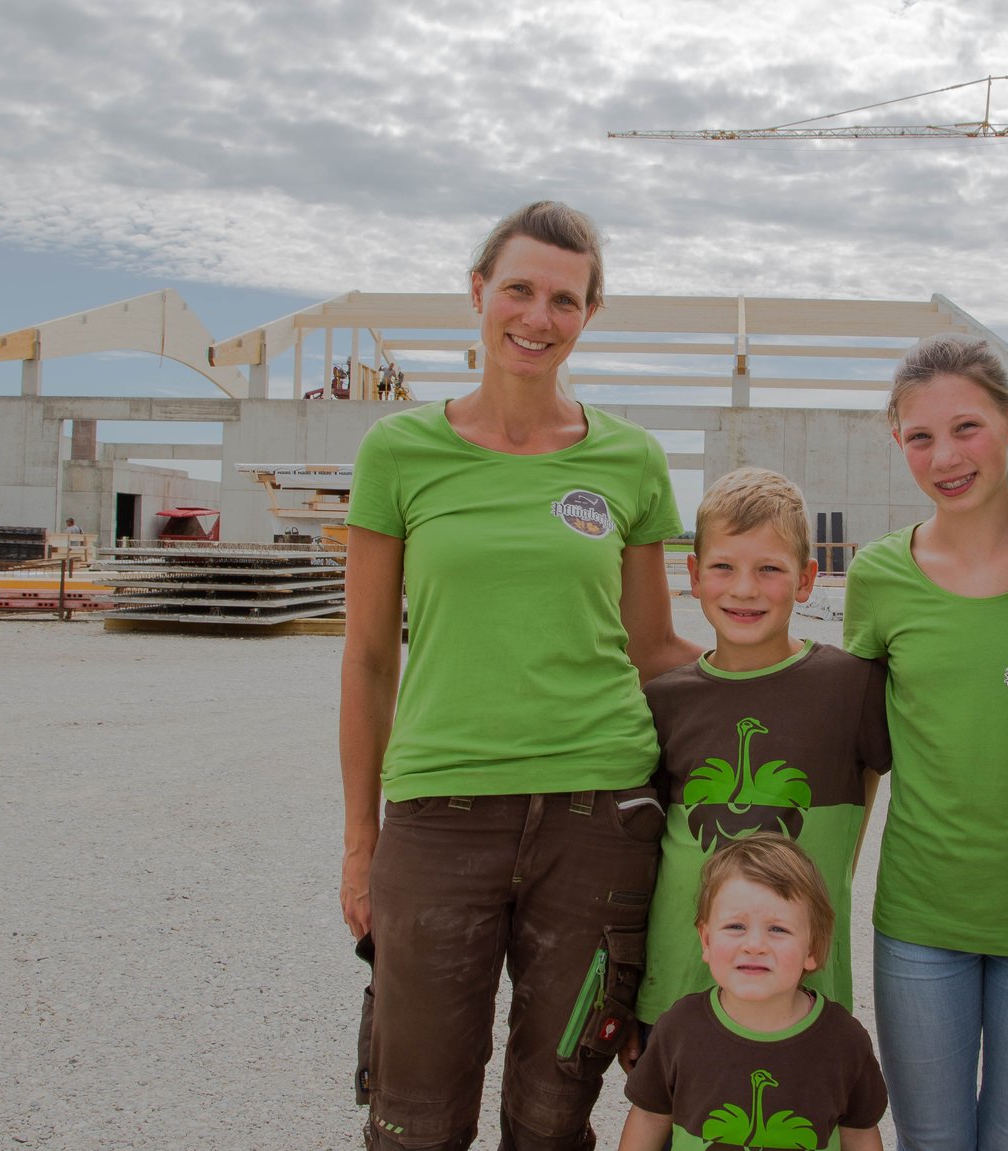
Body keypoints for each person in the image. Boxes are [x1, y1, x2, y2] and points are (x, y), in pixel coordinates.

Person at [339, 201, 700, 1151]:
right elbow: (370, 656)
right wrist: (356, 840)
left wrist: (786, 673)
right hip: (437, 819)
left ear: (589, 315)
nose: (538, 318)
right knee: (414, 1118)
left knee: (554, 1115)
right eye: (519, 290)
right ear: (477, 293)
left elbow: (656, 646)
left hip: (599, 818)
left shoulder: (629, 460)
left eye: (565, 300)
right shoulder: (398, 454)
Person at [842, 333, 1008, 1151]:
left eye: (967, 428)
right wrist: (822, 886)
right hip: (922, 918)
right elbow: (860, 751)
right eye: (920, 437)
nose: (944, 456)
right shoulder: (879, 576)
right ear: (898, 445)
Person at [633, 466, 892, 1042]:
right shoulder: (665, 700)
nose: (744, 589)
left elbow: (870, 779)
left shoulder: (851, 687)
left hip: (804, 996)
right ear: (694, 576)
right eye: (723, 567)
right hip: (677, 990)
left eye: (769, 569)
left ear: (805, 580)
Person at [619, 834, 888, 1151]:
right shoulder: (678, 1028)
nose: (754, 945)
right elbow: (649, 1118)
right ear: (706, 941)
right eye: (735, 926)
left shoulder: (844, 1041)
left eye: (778, 929)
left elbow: (859, 1134)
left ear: (812, 949)